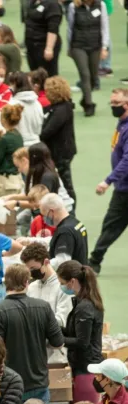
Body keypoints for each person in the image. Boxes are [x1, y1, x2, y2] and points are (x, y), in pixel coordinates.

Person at [0, 264, 64, 402]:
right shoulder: (44, 307)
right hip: (38, 382)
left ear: (6, 283)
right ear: (26, 282)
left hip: (10, 384)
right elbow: (58, 343)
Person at [89, 88, 128, 274]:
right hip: (123, 186)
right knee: (111, 224)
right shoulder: (121, 124)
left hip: (124, 189)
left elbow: (127, 160)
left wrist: (108, 180)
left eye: (117, 104)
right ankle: (95, 259)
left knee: (111, 224)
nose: (113, 107)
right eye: (111, 103)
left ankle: (95, 260)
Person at [56, 261, 104, 404]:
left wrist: (58, 340)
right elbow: (74, 332)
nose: (62, 287)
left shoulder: (85, 307)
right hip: (82, 368)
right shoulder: (83, 302)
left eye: (62, 283)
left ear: (72, 281)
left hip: (86, 369)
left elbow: (82, 342)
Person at [21, 242, 72, 364]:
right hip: (33, 352)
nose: (30, 272)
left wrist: (36, 321)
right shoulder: (31, 287)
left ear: (46, 262)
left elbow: (62, 320)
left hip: (56, 354)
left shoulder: (63, 288)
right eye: (28, 269)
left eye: (33, 268)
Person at [40, 77, 77, 207]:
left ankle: (70, 208)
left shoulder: (61, 110)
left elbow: (47, 131)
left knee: (65, 184)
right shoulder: (58, 108)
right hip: (62, 151)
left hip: (61, 153)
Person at [67, 0, 109, 117]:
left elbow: (104, 26)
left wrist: (104, 47)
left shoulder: (101, 5)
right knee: (85, 74)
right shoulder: (73, 6)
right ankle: (89, 105)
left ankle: (85, 99)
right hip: (78, 46)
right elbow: (70, 27)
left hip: (95, 46)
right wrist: (69, 46)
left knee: (93, 78)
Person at [0, 105, 25, 201]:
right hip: (16, 179)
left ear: (3, 119)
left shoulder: (5, 139)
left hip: (4, 181)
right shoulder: (18, 136)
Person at [24, 0, 62, 76]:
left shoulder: (52, 4)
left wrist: (49, 48)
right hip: (32, 45)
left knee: (48, 74)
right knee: (35, 74)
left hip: (44, 45)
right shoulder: (33, 2)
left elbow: (53, 29)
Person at [9, 72, 44, 147]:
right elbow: (39, 127)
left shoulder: (12, 104)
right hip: (36, 144)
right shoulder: (37, 104)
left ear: (15, 84)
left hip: (17, 146)